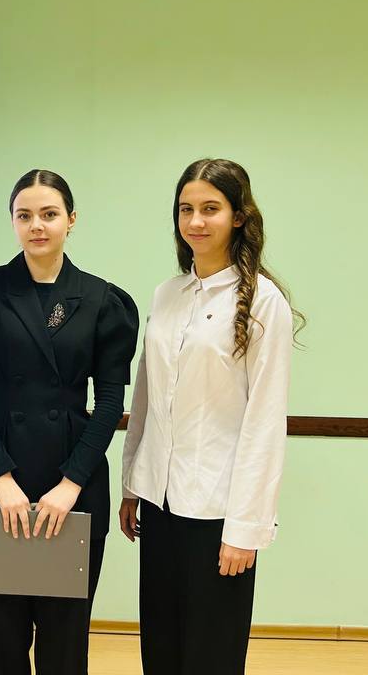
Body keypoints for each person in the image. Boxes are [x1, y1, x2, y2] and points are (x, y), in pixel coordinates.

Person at [0, 169, 139, 674]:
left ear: (71, 220)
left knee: (64, 645)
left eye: (49, 214)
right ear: (12, 222)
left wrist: (71, 484)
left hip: (71, 485)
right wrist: (1, 477)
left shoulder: (103, 301)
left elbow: (109, 402)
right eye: (24, 215)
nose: (37, 225)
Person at [119, 158, 303, 675]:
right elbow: (147, 396)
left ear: (239, 216)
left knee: (210, 654)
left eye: (210, 209)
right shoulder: (167, 294)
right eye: (186, 209)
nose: (195, 221)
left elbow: (265, 420)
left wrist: (246, 527)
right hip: (159, 501)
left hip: (219, 510)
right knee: (161, 648)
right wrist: (132, 482)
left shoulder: (264, 302)